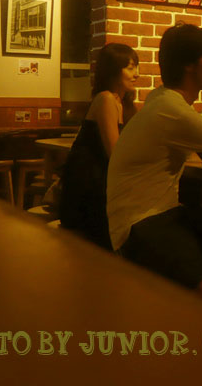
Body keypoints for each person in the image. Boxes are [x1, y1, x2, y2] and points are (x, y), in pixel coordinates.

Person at [106, 23, 202, 300]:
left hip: (146, 216)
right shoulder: (175, 111)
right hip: (141, 224)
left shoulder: (161, 98)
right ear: (189, 65)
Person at [59, 43, 139, 250]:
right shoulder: (105, 99)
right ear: (113, 70)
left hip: (102, 180)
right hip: (88, 187)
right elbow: (114, 153)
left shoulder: (124, 103)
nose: (137, 74)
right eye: (130, 68)